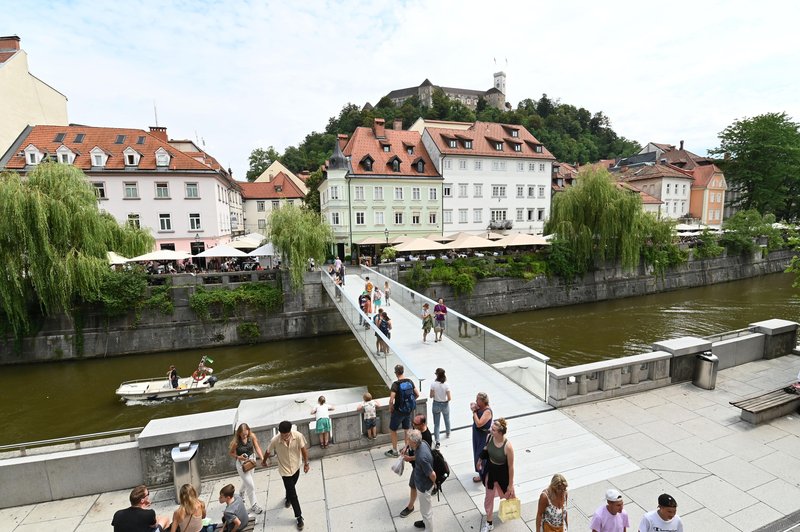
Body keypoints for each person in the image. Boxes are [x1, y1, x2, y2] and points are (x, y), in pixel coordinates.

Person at [263, 420, 310, 531]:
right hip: (285, 471)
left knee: (291, 488)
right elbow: (268, 451)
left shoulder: (298, 436)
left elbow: (304, 450)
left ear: (290, 431)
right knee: (294, 494)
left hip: (296, 467)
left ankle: (287, 497)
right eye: (282, 435)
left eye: (287, 435)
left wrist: (306, 463)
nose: (285, 437)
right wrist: (264, 461)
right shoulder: (275, 440)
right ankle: (299, 517)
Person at [477, 418, 515, 532]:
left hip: (503, 474)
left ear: (500, 432)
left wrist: (510, 484)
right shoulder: (490, 437)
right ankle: (489, 523)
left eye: (493, 429)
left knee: (508, 493)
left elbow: (511, 467)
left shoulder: (508, 446)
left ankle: (510, 512)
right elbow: (486, 449)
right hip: (491, 472)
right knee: (488, 498)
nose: (490, 430)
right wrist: (480, 460)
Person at [398, 415, 433, 519]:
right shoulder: (416, 429)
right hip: (416, 464)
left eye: (415, 424)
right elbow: (411, 438)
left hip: (420, 466)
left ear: (422, 424)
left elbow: (423, 457)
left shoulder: (427, 437)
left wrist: (410, 458)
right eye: (413, 423)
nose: (413, 426)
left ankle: (410, 507)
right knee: (413, 485)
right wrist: (406, 447)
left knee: (413, 485)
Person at [228, 423, 264, 514]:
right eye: (243, 434)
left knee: (247, 481)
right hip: (241, 465)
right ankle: (254, 505)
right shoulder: (236, 442)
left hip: (251, 462)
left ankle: (241, 492)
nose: (245, 436)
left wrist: (263, 459)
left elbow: (257, 448)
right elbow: (231, 453)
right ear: (239, 433)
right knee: (251, 485)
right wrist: (238, 457)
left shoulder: (252, 437)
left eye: (246, 434)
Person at [385, 364, 420, 457]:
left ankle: (394, 451)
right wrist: (409, 403)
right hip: (408, 410)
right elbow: (417, 394)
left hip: (398, 411)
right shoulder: (410, 381)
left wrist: (390, 408)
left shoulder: (396, 384)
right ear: (403, 371)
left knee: (393, 429)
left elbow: (391, 399)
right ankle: (406, 449)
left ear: (396, 373)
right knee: (406, 429)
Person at [407, 429, 436, 531]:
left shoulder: (421, 457)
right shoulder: (423, 443)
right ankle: (425, 522)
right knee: (425, 509)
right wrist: (411, 458)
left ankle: (429, 529)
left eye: (409, 441)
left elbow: (432, 474)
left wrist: (434, 484)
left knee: (426, 512)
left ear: (414, 442)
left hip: (424, 487)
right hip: (422, 484)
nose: (407, 442)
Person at [471, 392, 493, 482]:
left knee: (480, 455)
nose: (476, 401)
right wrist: (474, 408)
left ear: (483, 401)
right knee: (476, 452)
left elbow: (479, 424)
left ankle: (482, 475)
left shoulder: (487, 411)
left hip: (483, 436)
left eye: (478, 400)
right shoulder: (479, 408)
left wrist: (474, 411)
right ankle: (480, 472)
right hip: (477, 435)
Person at [429, 368, 451, 448]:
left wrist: (435, 394)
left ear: (436, 375)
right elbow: (449, 398)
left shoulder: (433, 384)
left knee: (436, 424)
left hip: (436, 404)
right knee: (447, 419)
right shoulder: (446, 385)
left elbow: (431, 396)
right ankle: (448, 432)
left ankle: (437, 441)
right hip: (444, 404)